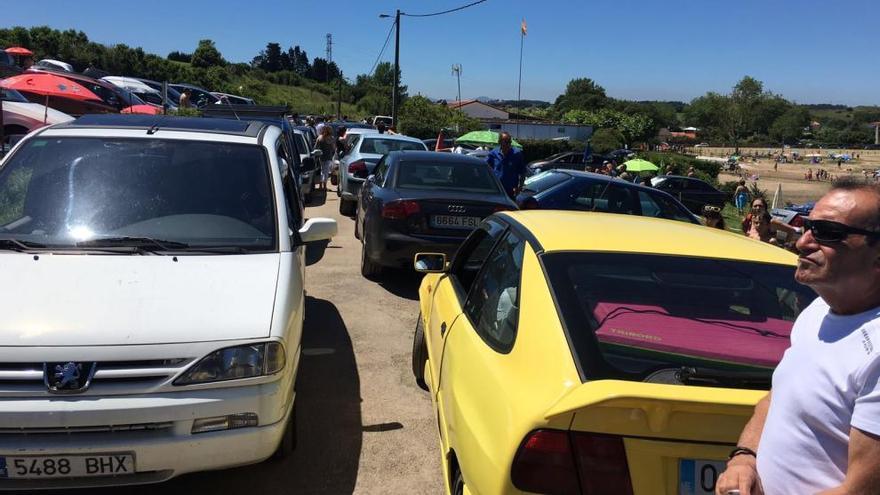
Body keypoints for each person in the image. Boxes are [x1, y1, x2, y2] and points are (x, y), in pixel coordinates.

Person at [716, 178, 880, 495]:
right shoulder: (819, 310)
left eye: (828, 233)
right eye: (807, 226)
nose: (802, 242)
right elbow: (778, 398)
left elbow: (861, 491)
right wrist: (744, 460)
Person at [486, 131, 526, 198]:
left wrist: (520, 187)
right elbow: (486, 169)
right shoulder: (493, 153)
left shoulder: (517, 154)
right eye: (506, 142)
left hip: (510, 191)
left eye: (509, 142)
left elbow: (523, 172)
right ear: (500, 142)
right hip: (496, 189)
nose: (508, 144)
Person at [315, 125, 336, 191]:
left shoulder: (320, 137)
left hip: (321, 156)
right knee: (326, 171)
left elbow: (316, 147)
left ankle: (320, 186)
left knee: (322, 170)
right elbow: (334, 148)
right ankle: (324, 186)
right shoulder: (331, 138)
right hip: (328, 156)